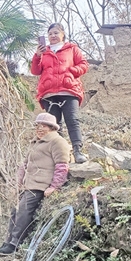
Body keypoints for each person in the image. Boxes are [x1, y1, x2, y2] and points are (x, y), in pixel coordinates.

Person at [0, 113, 70, 255]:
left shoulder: (57, 142)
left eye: (44, 126)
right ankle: (7, 241)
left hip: (40, 184)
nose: (39, 129)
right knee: (15, 210)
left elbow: (62, 166)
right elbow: (24, 165)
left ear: (52, 128)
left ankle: (15, 244)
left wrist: (54, 186)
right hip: (28, 184)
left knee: (23, 211)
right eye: (37, 126)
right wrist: (17, 184)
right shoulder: (35, 142)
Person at [31, 22, 89, 163]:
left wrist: (72, 71)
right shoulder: (44, 52)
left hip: (69, 90)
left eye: (56, 33)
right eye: (50, 33)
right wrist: (37, 56)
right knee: (54, 125)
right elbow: (35, 71)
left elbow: (83, 64)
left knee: (72, 120)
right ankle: (61, 155)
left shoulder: (72, 48)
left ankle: (77, 151)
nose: (53, 36)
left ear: (63, 34)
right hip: (49, 93)